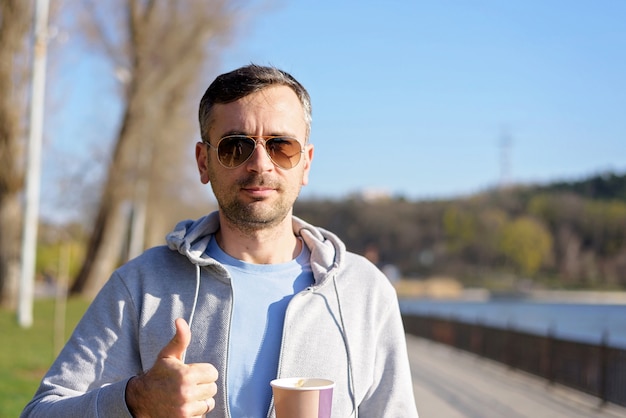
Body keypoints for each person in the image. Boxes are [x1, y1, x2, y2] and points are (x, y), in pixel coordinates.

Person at [21, 64, 419, 418]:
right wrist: (133, 402)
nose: (260, 164)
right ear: (203, 162)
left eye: (281, 146)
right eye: (235, 146)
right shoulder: (140, 286)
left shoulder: (364, 293)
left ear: (306, 163)